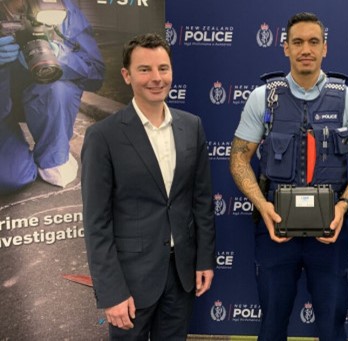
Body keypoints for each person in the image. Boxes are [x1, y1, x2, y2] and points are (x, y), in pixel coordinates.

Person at [229, 12, 348, 340]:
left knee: (333, 327)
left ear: (325, 48)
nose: (305, 49)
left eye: (313, 41)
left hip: (330, 233)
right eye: (297, 42)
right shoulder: (264, 97)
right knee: (271, 327)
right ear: (285, 48)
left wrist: (343, 206)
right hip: (275, 229)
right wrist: (261, 206)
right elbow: (239, 157)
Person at [81, 33, 215, 340]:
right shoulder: (103, 136)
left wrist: (204, 259)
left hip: (181, 276)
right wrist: (111, 291)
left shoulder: (191, 126)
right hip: (130, 283)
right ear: (127, 75)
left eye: (163, 68)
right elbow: (96, 223)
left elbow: (201, 201)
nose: (156, 78)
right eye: (145, 70)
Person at [0, 0, 104, 193]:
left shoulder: (63, 8)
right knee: (11, 178)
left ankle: (52, 156)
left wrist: (59, 57)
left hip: (41, 98)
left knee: (58, 88)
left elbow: (96, 74)